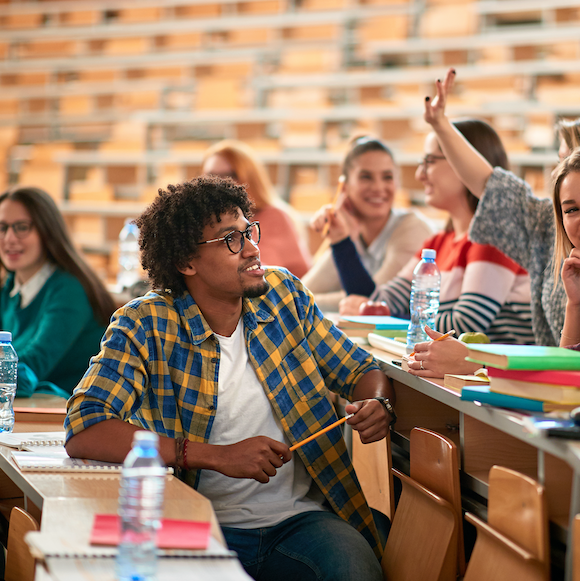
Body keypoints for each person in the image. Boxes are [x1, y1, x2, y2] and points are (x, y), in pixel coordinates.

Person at [64, 175, 396, 581]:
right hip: (193, 521)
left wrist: (378, 402)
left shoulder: (285, 296)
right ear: (187, 262)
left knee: (354, 568)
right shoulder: (145, 323)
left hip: (300, 522)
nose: (253, 248)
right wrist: (214, 455)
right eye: (230, 240)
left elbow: (362, 370)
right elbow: (86, 426)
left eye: (249, 232)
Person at [337, 120, 535, 377]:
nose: (420, 174)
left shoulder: (495, 239)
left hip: (503, 384)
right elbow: (382, 302)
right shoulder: (437, 243)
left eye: (430, 162)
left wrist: (392, 317)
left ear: (463, 160)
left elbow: (465, 326)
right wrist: (341, 240)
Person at [419, 68, 580, 355]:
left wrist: (474, 362)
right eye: (560, 162)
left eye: (569, 158)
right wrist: (440, 124)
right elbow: (491, 185)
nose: (562, 173)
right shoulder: (549, 226)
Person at [0, 186, 115, 397]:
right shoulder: (7, 288)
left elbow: (27, 371)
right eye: (2, 227)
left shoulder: (69, 290)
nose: (9, 238)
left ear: (47, 231)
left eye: (22, 227)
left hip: (71, 417)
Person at [302, 135, 433, 312]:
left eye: (387, 177)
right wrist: (345, 236)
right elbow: (303, 291)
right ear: (344, 187)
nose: (378, 187)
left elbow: (373, 301)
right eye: (366, 177)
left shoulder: (412, 228)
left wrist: (304, 302)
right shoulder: (351, 232)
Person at [202, 140, 312, 278]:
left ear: (250, 178)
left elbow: (303, 276)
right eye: (211, 176)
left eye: (230, 175)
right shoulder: (202, 222)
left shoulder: (275, 216)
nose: (219, 184)